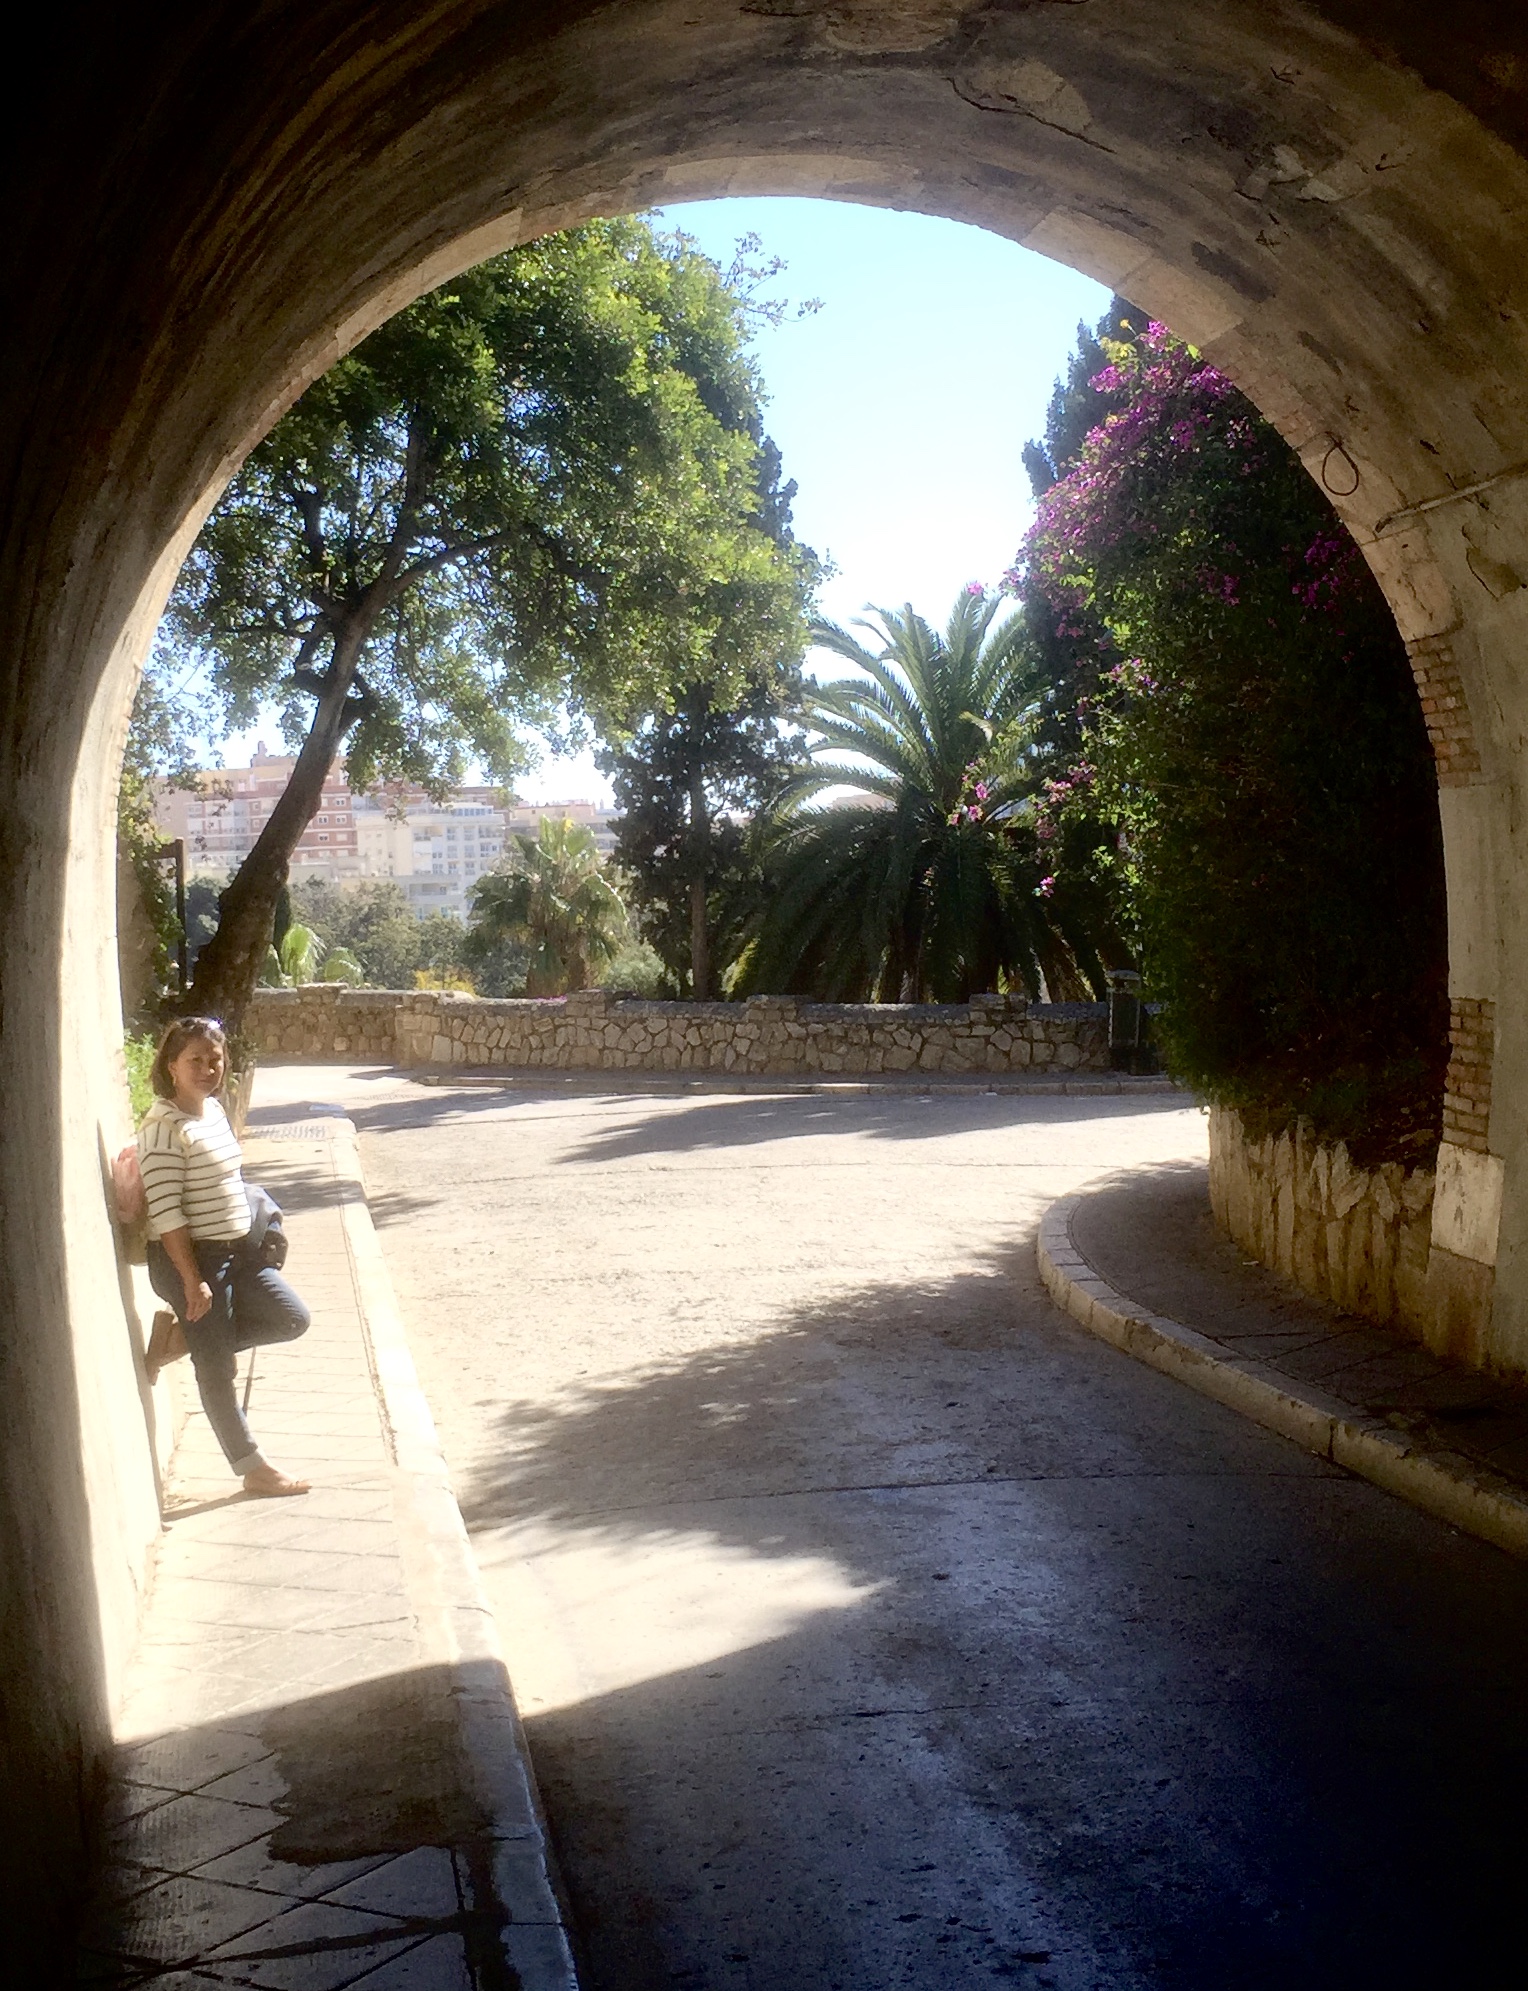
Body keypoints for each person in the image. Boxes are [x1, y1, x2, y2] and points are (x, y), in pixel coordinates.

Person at [138, 1016, 312, 1497]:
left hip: (239, 1254)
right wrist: (193, 1281)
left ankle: (178, 1343)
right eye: (195, 1059)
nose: (207, 1068)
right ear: (172, 1066)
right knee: (218, 1370)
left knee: (292, 1318)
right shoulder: (163, 1131)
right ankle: (253, 1468)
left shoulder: (212, 1111)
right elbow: (168, 1215)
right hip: (192, 1262)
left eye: (215, 1059)